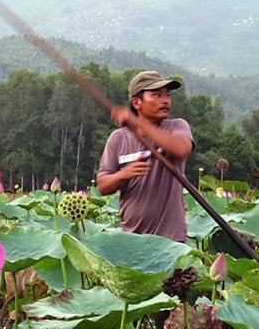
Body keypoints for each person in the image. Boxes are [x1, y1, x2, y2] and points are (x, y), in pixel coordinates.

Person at [96, 70, 194, 328]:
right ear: (137, 102)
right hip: (132, 242)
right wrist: (124, 174)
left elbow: (181, 149)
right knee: (135, 315)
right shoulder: (118, 139)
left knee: (167, 314)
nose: (166, 101)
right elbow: (103, 185)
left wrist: (139, 125)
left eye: (167, 95)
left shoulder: (176, 127)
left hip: (170, 242)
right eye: (157, 94)